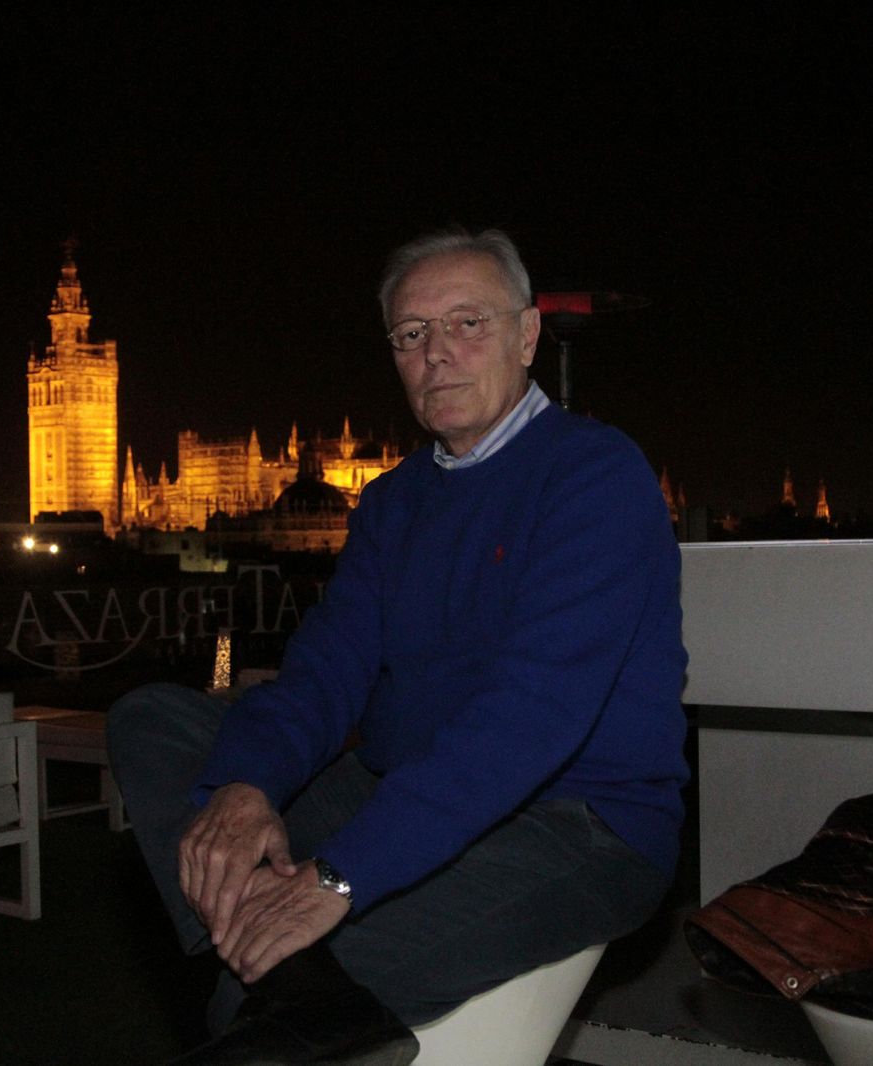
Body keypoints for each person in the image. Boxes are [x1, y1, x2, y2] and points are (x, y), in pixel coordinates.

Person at [108, 228, 688, 1065]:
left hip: (576, 819)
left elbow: (530, 722)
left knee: (251, 1004)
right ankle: (298, 984)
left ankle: (285, 990)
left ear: (527, 336)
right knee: (153, 720)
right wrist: (243, 788)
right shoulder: (390, 503)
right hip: (399, 781)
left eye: (467, 324)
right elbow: (326, 672)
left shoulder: (594, 475)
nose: (437, 355)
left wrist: (338, 877)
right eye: (412, 335)